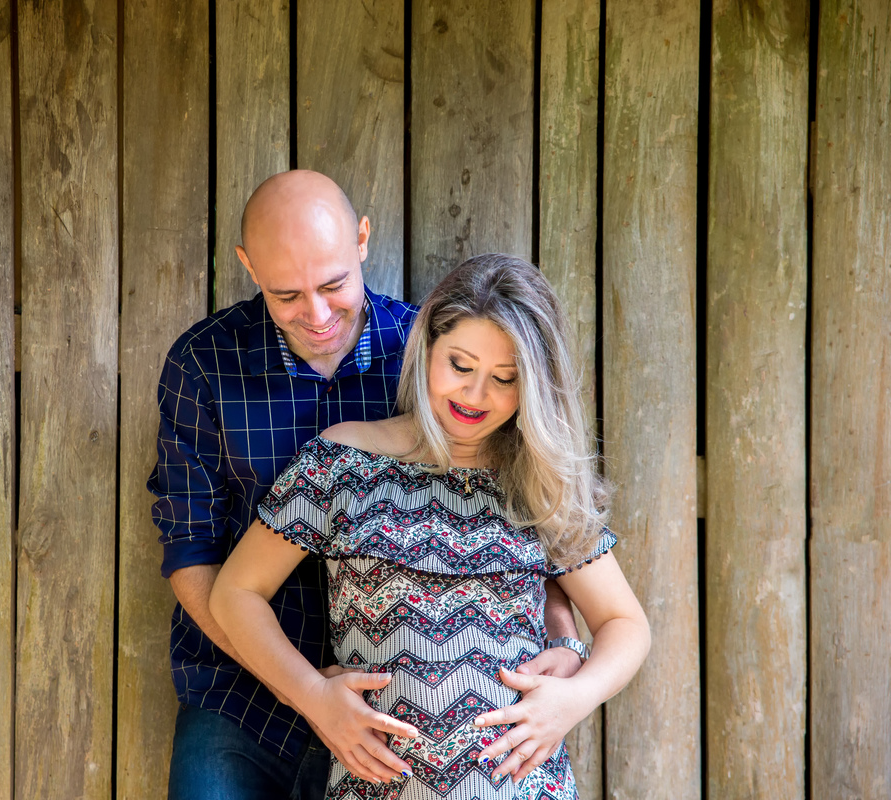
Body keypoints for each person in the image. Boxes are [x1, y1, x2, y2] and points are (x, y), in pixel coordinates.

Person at [149, 173, 586, 799]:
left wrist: (565, 637)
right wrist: (307, 693)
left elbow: (518, 514)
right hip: (241, 699)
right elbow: (192, 554)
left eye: (333, 286)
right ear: (248, 266)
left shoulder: (438, 356)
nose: (318, 314)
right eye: (287, 295)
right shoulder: (202, 364)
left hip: (399, 725)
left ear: (362, 240)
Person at [209, 254, 650, 799]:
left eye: (504, 379)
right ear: (427, 349)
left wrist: (573, 700)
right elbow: (235, 593)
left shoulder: (539, 480)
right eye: (460, 366)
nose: (475, 394)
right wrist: (313, 696)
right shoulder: (343, 460)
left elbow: (625, 623)